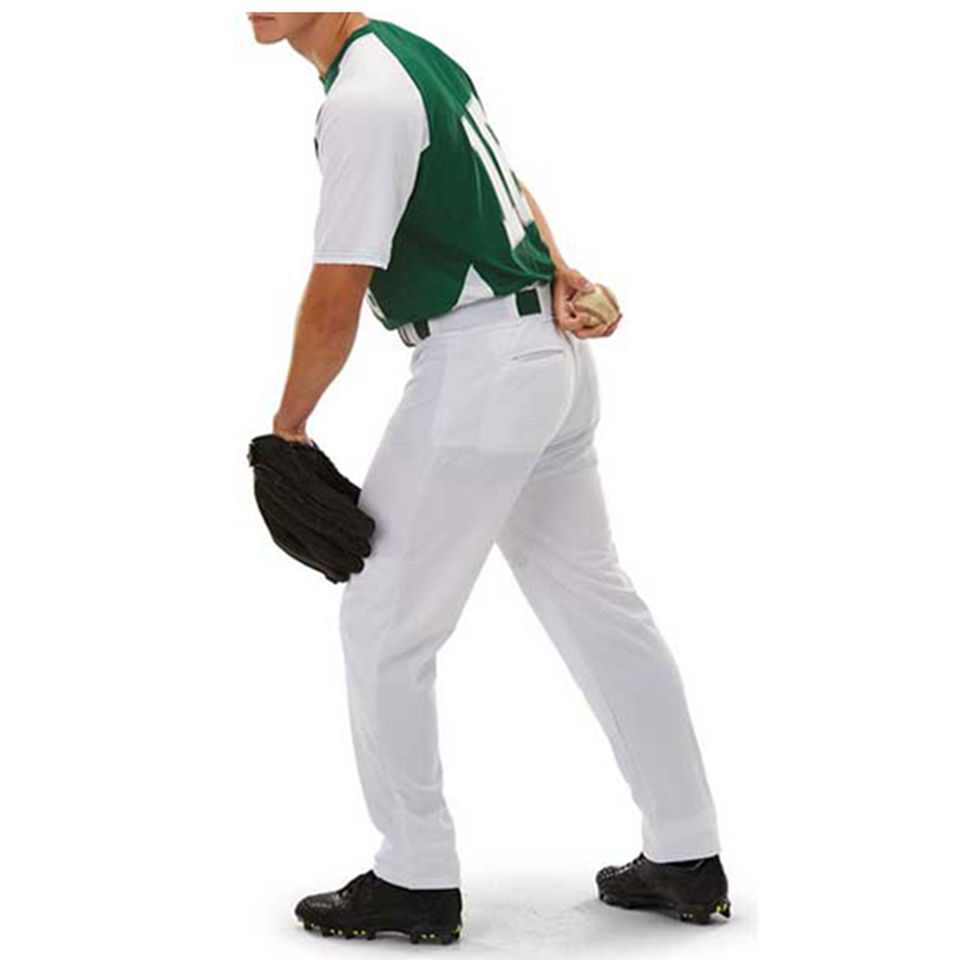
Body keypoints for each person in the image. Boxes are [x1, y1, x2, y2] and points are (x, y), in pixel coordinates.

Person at [247, 11, 730, 944]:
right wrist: (562, 272)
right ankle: (686, 851)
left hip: (481, 372)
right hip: (543, 355)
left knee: (383, 620)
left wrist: (289, 425)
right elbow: (508, 187)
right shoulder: (412, 59)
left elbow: (339, 288)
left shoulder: (364, 97)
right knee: (598, 604)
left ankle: (414, 876)